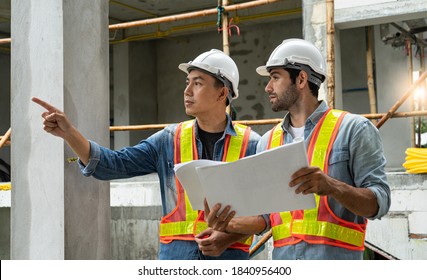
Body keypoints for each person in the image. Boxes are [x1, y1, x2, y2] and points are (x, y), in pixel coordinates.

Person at [32, 49, 260, 260]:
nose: (187, 91)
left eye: (197, 83)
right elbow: (112, 164)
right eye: (187, 82)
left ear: (222, 93)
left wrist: (228, 237)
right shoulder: (168, 140)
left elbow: (268, 218)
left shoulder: (252, 145)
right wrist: (70, 134)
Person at [204, 38, 391, 260]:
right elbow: (266, 218)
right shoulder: (267, 142)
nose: (268, 87)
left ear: (301, 79)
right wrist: (228, 227)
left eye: (275, 77)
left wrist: (331, 186)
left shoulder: (353, 129)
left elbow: (380, 202)